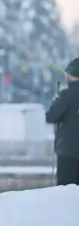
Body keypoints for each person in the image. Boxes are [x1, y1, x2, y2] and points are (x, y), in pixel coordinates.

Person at [46, 58, 79, 186]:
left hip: (68, 152)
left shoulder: (67, 95)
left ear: (70, 75)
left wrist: (57, 101)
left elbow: (51, 117)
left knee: (66, 193)